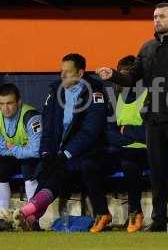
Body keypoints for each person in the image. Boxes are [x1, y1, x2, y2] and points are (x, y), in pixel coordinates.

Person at [97, 2, 168, 231]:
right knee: (157, 173)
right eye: (155, 17)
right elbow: (132, 78)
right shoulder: (146, 48)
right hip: (153, 120)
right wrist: (113, 75)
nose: (157, 20)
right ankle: (159, 220)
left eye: (162, 17)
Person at [12, 53, 112, 232]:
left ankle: (102, 213)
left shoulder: (95, 93)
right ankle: (31, 218)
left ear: (80, 74)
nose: (63, 75)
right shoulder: (54, 93)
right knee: (48, 170)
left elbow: (90, 132)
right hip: (62, 156)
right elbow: (48, 129)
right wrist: (46, 153)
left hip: (88, 153)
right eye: (61, 71)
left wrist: (65, 153)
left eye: (68, 72)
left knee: (78, 168)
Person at [105, 55, 148, 232]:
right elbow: (109, 132)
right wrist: (127, 136)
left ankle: (135, 212)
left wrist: (125, 131)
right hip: (119, 150)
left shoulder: (147, 97)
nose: (121, 81)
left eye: (126, 76)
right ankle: (101, 213)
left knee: (130, 164)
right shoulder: (114, 100)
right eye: (119, 76)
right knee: (90, 164)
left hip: (145, 153)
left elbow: (148, 133)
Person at [0, 83, 41, 229]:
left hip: (33, 159)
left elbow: (36, 150)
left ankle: (31, 219)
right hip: (14, 156)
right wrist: (18, 149)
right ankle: (3, 218)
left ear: (18, 102)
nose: (6, 108)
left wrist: (14, 149)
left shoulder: (31, 116)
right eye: (2, 104)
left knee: (28, 167)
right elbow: (1, 148)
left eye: (10, 103)